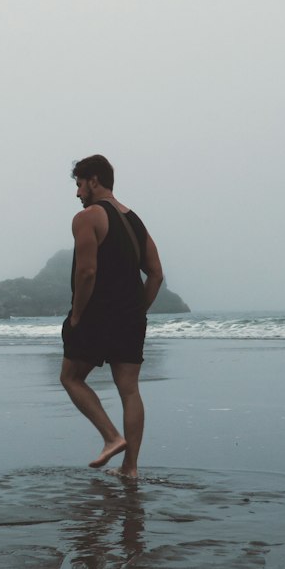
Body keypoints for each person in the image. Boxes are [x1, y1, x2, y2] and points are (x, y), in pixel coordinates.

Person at [60, 154, 164, 477]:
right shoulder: (135, 220)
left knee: (71, 377)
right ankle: (130, 468)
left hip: (96, 313)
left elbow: (88, 272)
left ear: (93, 180)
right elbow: (157, 274)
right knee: (129, 390)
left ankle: (111, 437)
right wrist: (135, 313)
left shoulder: (88, 218)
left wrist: (77, 316)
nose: (77, 194)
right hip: (130, 317)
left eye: (79, 185)